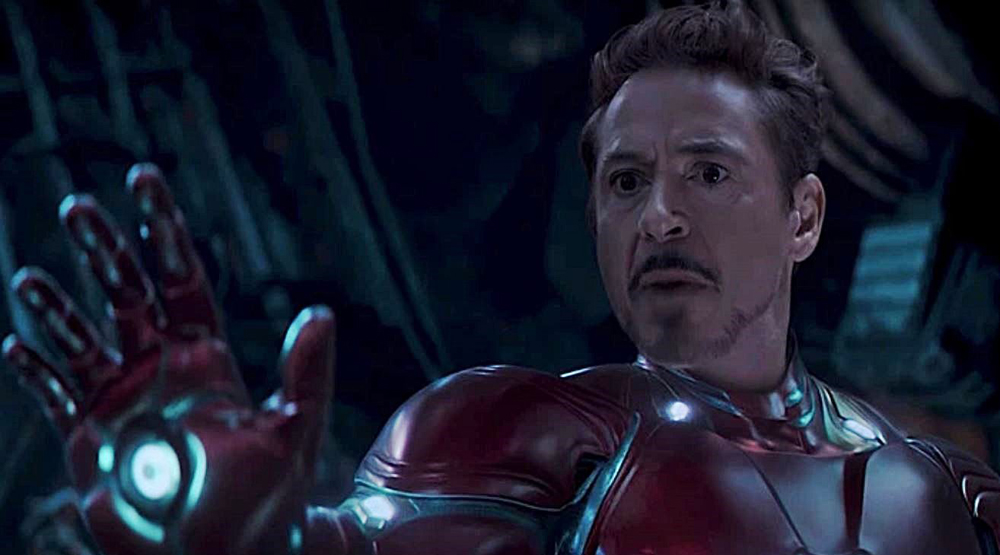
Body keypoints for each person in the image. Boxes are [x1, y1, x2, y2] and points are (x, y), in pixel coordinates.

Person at [5, 2, 999, 554]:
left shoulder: (948, 487)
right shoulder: (517, 436)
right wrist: (257, 538)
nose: (659, 215)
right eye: (625, 182)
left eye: (708, 172)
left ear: (803, 217)